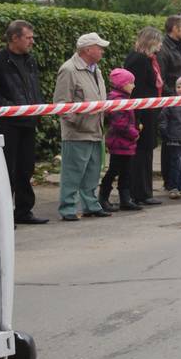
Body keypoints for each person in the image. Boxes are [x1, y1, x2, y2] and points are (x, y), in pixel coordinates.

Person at [0, 19, 46, 225]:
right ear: (14, 38)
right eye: (28, 38)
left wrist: (37, 108)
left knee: (26, 168)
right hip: (8, 124)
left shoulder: (30, 60)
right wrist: (13, 109)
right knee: (8, 170)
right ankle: (3, 214)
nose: (32, 42)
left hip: (29, 122)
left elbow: (33, 87)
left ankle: (24, 210)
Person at [53, 33, 112, 221]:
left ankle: (90, 204)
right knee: (73, 172)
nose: (102, 50)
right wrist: (77, 121)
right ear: (88, 50)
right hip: (77, 132)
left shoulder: (97, 70)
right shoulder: (69, 70)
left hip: (95, 130)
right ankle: (68, 208)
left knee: (93, 171)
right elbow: (61, 103)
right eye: (99, 47)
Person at [124, 27, 165, 206]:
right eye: (158, 41)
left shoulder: (148, 59)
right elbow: (137, 89)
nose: (161, 45)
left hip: (150, 110)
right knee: (142, 151)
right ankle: (140, 191)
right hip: (142, 112)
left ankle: (145, 190)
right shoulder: (139, 60)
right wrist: (138, 117)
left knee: (147, 150)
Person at [99, 68, 141, 212]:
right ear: (122, 84)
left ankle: (125, 198)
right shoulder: (117, 101)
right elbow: (120, 123)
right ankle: (103, 198)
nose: (134, 86)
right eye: (131, 83)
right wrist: (134, 133)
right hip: (119, 143)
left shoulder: (124, 100)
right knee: (113, 170)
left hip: (126, 144)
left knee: (126, 172)